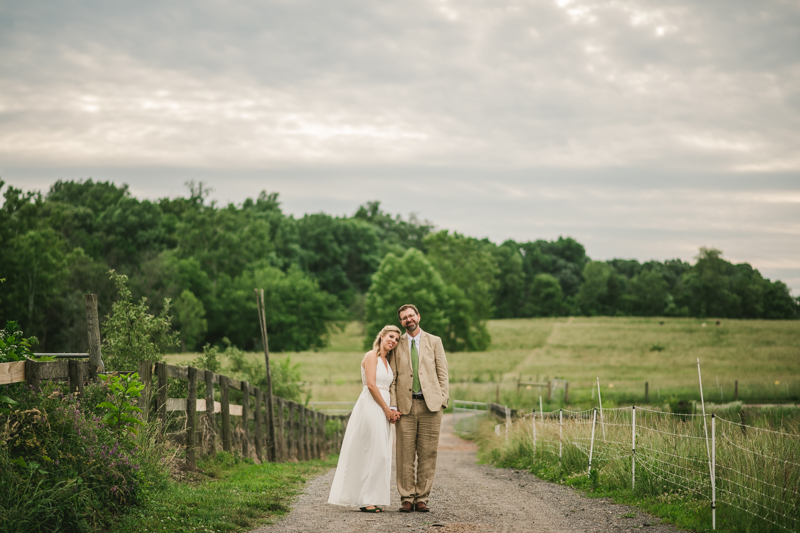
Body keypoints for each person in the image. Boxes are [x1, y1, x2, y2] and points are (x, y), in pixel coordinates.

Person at [327, 325, 402, 512]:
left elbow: (388, 387)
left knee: (381, 454)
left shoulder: (387, 360)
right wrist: (386, 409)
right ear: (382, 336)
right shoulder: (371, 356)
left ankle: (372, 498)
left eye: (397, 339)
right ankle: (365, 500)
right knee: (373, 451)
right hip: (371, 405)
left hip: (384, 406)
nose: (393, 341)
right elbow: (371, 385)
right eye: (391, 336)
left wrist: (393, 409)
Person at [389, 304, 449, 513]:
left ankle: (422, 498)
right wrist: (393, 405)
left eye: (411, 316)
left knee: (428, 453)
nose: (409, 320)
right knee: (405, 454)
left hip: (431, 406)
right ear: (401, 322)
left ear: (418, 317)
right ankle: (406, 498)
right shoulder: (397, 344)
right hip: (405, 407)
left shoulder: (435, 341)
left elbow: (443, 373)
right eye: (404, 318)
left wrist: (443, 398)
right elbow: (393, 377)